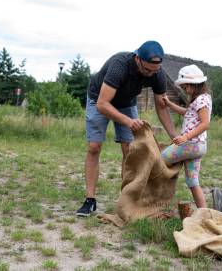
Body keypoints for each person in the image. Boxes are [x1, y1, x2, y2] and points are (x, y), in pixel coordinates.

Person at [76, 41, 178, 217]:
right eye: (147, 70)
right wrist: (128, 121)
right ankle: (90, 200)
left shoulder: (157, 73)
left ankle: (127, 198)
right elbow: (102, 104)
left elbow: (161, 107)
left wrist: (174, 135)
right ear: (137, 58)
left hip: (127, 103)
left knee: (130, 150)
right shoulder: (119, 65)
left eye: (155, 71)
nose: (151, 74)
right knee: (94, 147)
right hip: (99, 99)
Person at [161, 64, 212, 208]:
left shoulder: (201, 100)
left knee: (161, 158)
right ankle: (204, 213)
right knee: (192, 181)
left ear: (193, 84)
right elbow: (187, 113)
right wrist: (170, 104)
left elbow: (205, 124)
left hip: (192, 144)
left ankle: (157, 193)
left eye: (185, 87)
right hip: (197, 147)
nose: (184, 90)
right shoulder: (199, 99)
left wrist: (185, 137)